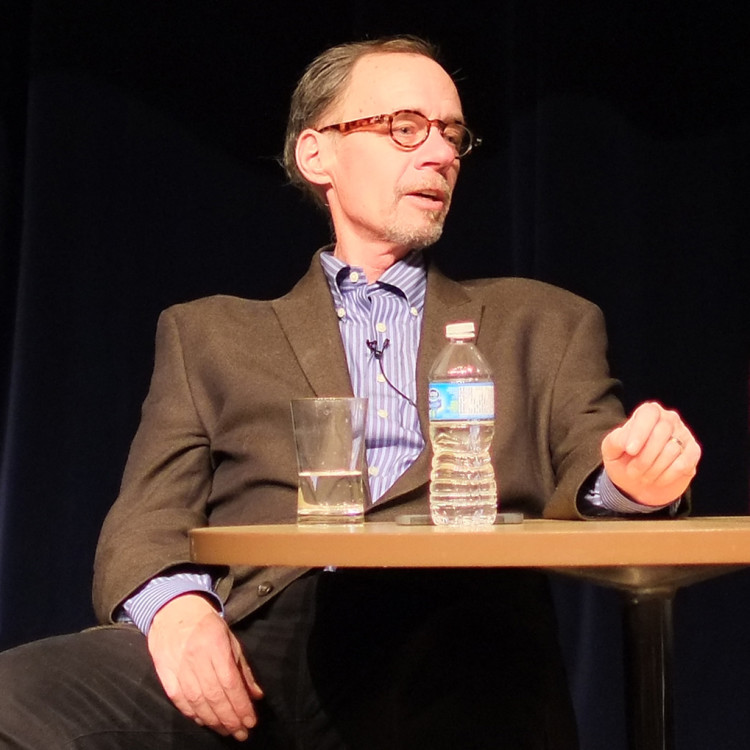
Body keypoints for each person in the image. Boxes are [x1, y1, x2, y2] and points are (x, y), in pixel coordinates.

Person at [0, 35, 700, 749]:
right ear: (317, 154)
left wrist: (634, 481)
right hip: (268, 634)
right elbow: (144, 519)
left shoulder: (542, 322)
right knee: (12, 699)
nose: (440, 153)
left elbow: (595, 463)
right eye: (406, 127)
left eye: (453, 134)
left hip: (454, 638)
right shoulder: (210, 336)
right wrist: (180, 611)